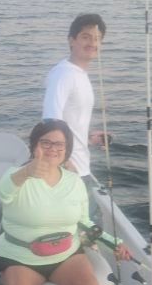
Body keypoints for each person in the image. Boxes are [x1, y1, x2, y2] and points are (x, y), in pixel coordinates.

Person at [0, 120, 127, 285]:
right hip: (20, 256)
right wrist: (27, 172)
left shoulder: (75, 182)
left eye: (59, 144)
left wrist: (113, 242)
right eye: (46, 143)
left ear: (67, 149)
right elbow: (1, 194)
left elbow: (84, 221)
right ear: (34, 145)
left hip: (66, 254)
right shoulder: (15, 175)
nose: (53, 149)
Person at [41, 13, 107, 204]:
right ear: (72, 40)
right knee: (87, 228)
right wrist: (66, 165)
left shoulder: (79, 74)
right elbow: (50, 122)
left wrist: (88, 138)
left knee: (85, 229)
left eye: (97, 39)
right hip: (70, 171)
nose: (92, 43)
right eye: (86, 37)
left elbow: (67, 121)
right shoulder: (64, 74)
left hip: (79, 166)